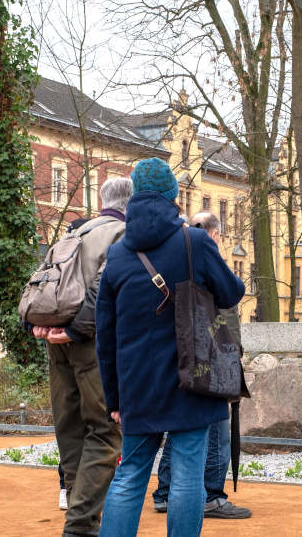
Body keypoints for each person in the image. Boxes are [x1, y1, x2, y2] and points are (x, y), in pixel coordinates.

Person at [95, 158, 245, 537]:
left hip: (137, 385)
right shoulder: (193, 241)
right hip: (191, 376)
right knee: (187, 476)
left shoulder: (117, 254)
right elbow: (232, 293)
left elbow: (105, 334)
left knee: (129, 473)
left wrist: (114, 398)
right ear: (173, 196)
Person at [30, 178, 132, 537]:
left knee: (69, 427)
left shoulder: (74, 232)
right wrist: (77, 328)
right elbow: (105, 287)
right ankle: (81, 525)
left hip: (55, 339)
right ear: (130, 204)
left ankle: (78, 506)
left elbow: (43, 282)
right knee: (104, 431)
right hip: (91, 341)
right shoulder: (122, 234)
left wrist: (44, 325)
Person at [152, 212, 250, 519]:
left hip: (183, 355)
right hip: (214, 355)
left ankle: (165, 492)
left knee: (180, 426)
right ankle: (211, 495)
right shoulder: (211, 261)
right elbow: (229, 307)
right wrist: (234, 356)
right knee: (218, 425)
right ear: (216, 235)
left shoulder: (174, 258)